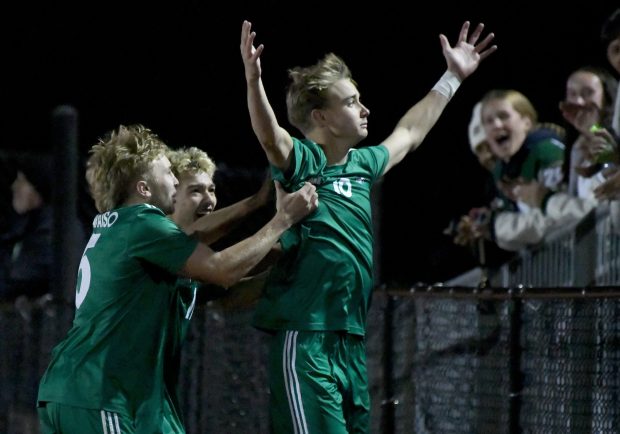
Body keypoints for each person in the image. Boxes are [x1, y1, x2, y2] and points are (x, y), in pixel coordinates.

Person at [240, 19, 496, 433]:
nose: (365, 109)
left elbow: (410, 132)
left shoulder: (363, 165)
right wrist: (254, 82)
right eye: (352, 101)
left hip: (350, 342)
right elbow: (271, 137)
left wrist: (452, 76)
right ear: (321, 116)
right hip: (306, 339)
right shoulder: (304, 162)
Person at [36, 124, 319, 434]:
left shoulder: (122, 227)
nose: (174, 178)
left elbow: (196, 238)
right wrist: (284, 220)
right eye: (168, 173)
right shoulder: (143, 223)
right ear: (144, 189)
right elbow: (221, 269)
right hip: (102, 392)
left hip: (99, 390)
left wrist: (260, 206)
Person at [163, 145, 274, 433]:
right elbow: (225, 271)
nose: (209, 200)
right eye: (195, 191)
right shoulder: (158, 239)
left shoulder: (185, 255)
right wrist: (278, 218)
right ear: (170, 194)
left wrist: (287, 266)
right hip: (115, 388)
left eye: (212, 189)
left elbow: (229, 296)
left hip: (152, 391)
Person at [0, 154, 54, 301]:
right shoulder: (27, 223)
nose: (14, 186)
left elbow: (10, 280)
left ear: (35, 190)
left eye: (21, 181)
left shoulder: (49, 237)